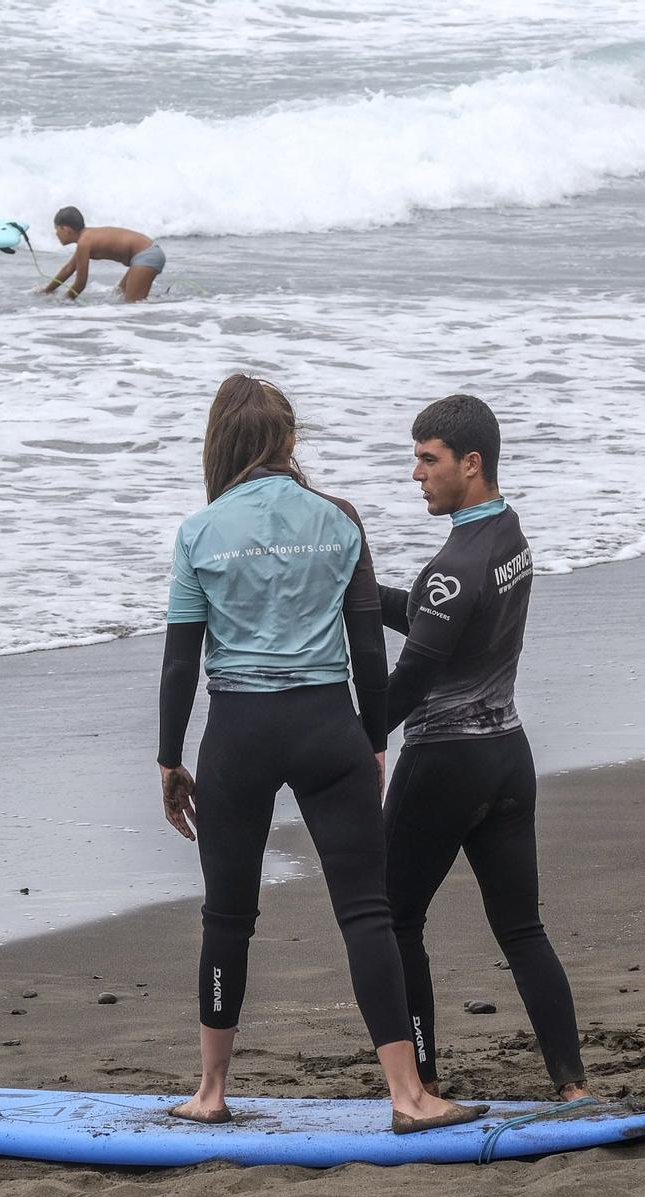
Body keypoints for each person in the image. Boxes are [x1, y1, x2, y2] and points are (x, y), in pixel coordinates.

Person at [157, 374, 487, 1135]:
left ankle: (209, 1091)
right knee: (367, 913)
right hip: (326, 725)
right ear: (289, 441)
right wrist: (373, 737)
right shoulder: (339, 522)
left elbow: (180, 663)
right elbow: (368, 645)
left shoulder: (200, 531)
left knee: (226, 915)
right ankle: (407, 1095)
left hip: (237, 732)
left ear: (220, 443)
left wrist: (170, 759)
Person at [378, 394, 590, 1102]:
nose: (416, 474)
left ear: (471, 464)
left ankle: (425, 1078)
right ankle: (572, 1084)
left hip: (443, 763)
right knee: (521, 928)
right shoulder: (508, 532)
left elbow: (414, 673)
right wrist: (359, 593)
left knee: (395, 918)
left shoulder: (454, 564)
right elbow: (439, 619)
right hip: (507, 755)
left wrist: (349, 736)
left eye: (428, 459)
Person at [41, 207, 165, 303]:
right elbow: (68, 269)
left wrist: (63, 302)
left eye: (56, 229)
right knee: (120, 293)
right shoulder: (86, 238)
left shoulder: (84, 242)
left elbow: (80, 284)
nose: (56, 234)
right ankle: (164, 301)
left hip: (146, 255)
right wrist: (47, 291)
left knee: (133, 306)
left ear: (66, 230)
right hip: (148, 253)